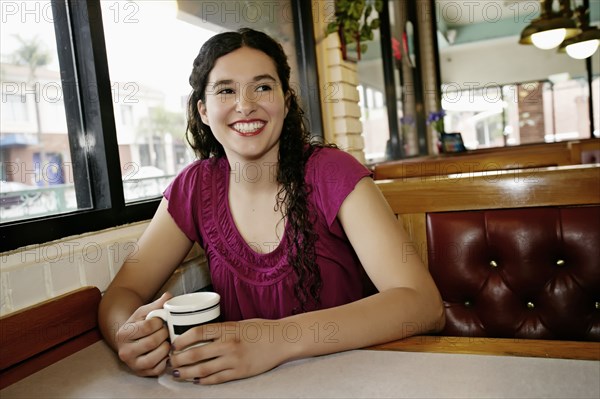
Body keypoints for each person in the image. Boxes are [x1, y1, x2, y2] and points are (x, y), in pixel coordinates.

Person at [98, 28, 444, 385]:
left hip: (354, 383)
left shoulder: (333, 173)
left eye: (263, 87)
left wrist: (275, 339)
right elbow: (122, 294)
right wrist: (128, 334)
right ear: (203, 110)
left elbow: (422, 304)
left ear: (286, 101)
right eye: (226, 90)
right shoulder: (195, 186)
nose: (246, 104)